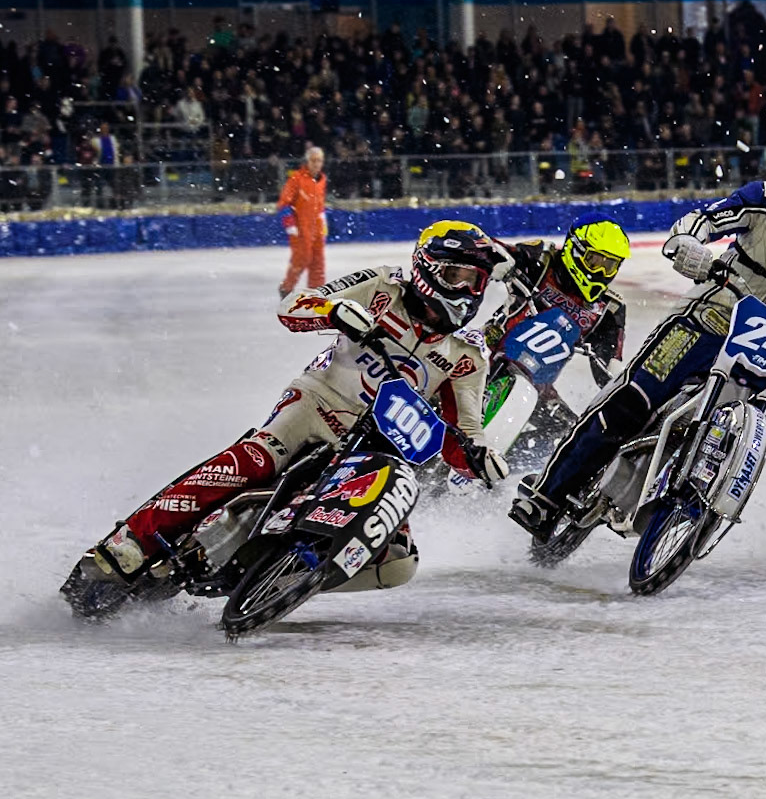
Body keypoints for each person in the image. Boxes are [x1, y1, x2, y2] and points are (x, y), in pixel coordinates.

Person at [65, 221, 511, 598]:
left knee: (397, 562)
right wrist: (334, 311)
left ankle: (279, 574)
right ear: (428, 268)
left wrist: (481, 460)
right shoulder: (382, 285)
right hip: (319, 402)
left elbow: (465, 430)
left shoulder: (467, 355)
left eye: (477, 282)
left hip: (379, 450)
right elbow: (293, 306)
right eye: (459, 276)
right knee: (256, 460)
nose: (468, 290)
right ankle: (132, 541)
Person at [510, 139, 766, 541]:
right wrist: (689, 245)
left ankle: (738, 452)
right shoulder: (764, 201)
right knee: (631, 400)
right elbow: (702, 221)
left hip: (763, 349)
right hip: (707, 319)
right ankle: (546, 496)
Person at [482, 214, 632, 389]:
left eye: (610, 266)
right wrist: (495, 260)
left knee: (571, 418)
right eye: (594, 260)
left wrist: (622, 382)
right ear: (574, 249)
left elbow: (608, 373)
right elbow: (487, 249)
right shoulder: (541, 259)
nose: (601, 272)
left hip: (536, 387)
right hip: (487, 353)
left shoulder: (608, 309)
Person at [277, 146, 328, 297]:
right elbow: (284, 203)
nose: (316, 164)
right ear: (307, 161)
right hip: (300, 228)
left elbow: (319, 204)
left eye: (319, 160)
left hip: (316, 227)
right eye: (313, 161)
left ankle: (316, 292)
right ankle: (287, 288)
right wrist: (290, 223)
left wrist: (323, 221)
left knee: (318, 262)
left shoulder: (322, 180)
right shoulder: (296, 179)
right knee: (302, 258)